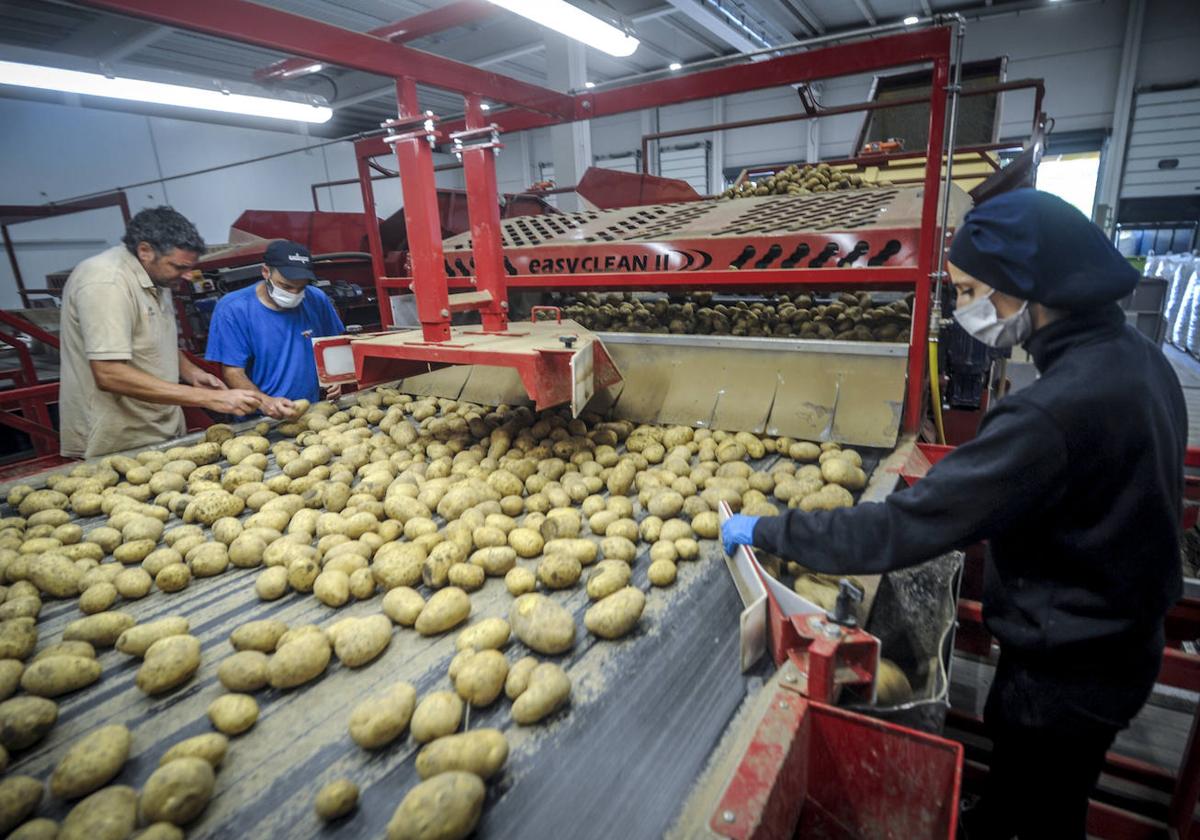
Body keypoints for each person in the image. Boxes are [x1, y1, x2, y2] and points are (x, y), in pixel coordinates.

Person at [722, 189, 1187, 840]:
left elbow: (899, 528)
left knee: (1043, 810)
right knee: (1041, 792)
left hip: (1068, 666)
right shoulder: (1134, 358)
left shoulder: (1054, 410)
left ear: (1022, 284)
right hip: (1113, 640)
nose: (963, 310)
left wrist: (767, 531)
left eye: (969, 291)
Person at [58, 206, 261, 459]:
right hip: (117, 436)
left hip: (157, 424)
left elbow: (152, 338)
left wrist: (191, 373)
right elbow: (108, 373)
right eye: (178, 267)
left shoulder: (158, 275)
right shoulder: (106, 283)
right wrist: (207, 398)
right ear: (145, 251)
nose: (187, 276)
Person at [204, 240, 345, 419]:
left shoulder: (316, 298)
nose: (293, 294)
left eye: (300, 288)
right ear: (266, 272)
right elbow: (232, 372)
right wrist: (265, 402)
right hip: (259, 418)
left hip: (311, 411)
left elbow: (332, 343)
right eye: (286, 286)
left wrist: (336, 376)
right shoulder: (233, 309)